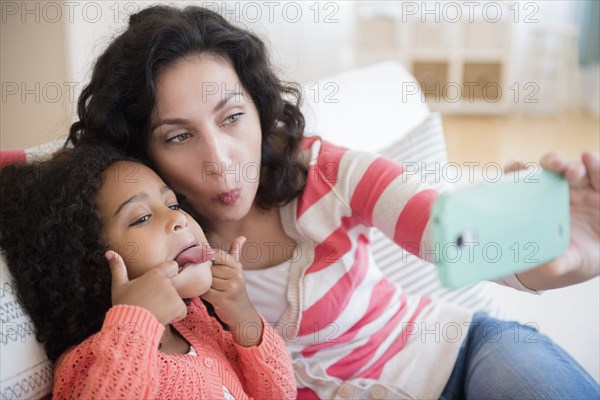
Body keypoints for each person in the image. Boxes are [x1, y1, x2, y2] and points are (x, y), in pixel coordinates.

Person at [65, 5, 600, 399]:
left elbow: (449, 235)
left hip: (457, 352)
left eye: (232, 117)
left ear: (259, 107)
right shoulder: (151, 247)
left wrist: (557, 248)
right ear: (142, 149)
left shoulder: (328, 171)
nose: (221, 162)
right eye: (178, 136)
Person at [0, 143, 297, 399]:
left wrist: (243, 317)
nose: (177, 220)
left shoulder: (197, 324)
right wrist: (136, 324)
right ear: (87, 267)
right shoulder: (89, 360)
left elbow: (279, 393)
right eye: (141, 217)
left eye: (173, 204)